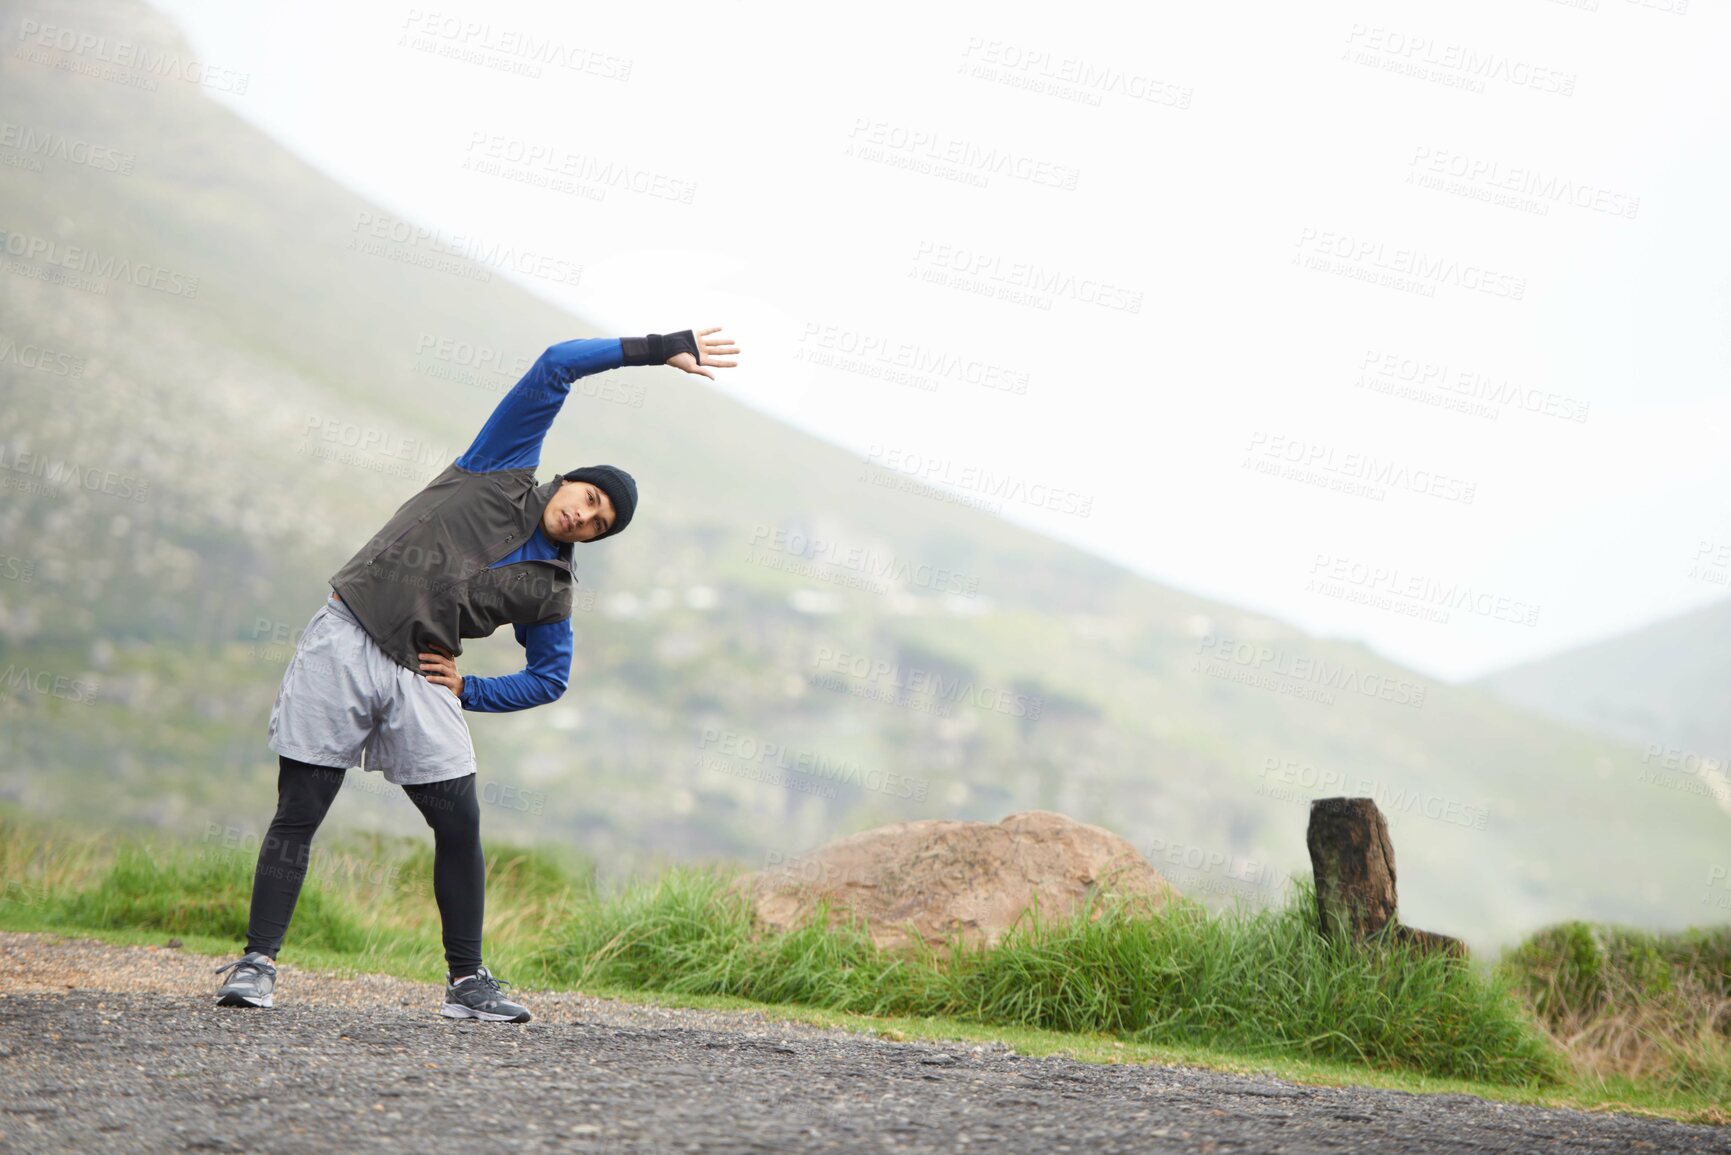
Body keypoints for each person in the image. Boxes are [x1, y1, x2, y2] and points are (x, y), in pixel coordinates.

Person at [213, 327, 740, 1021]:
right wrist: (658, 348)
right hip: (347, 635)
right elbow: (556, 365)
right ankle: (257, 963)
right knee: (302, 808)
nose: (583, 515)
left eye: (597, 523)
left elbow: (550, 678)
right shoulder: (500, 465)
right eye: (588, 498)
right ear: (571, 479)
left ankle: (467, 982)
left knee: (458, 821)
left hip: (421, 674)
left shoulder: (550, 589)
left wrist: (469, 688)